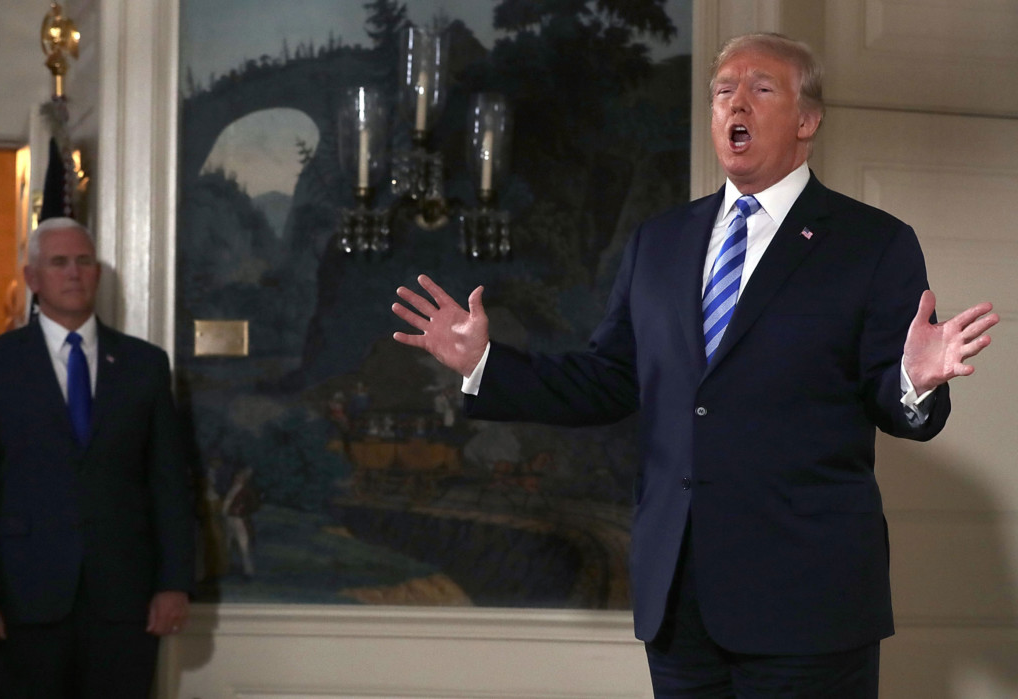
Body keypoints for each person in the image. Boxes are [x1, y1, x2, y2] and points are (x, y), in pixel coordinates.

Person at [391, 33, 1000, 697]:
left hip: (808, 607)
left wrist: (914, 380)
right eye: (722, 91)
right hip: (680, 606)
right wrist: (485, 362)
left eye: (761, 88)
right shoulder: (660, 241)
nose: (735, 101)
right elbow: (608, 378)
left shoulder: (873, 244)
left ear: (807, 119)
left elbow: (896, 402)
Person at [0, 217, 194, 699]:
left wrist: (174, 582)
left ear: (98, 274)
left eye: (84, 261)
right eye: (58, 263)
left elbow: (168, 482)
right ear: (33, 278)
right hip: (24, 594)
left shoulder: (144, 365)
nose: (74, 273)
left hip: (123, 597)